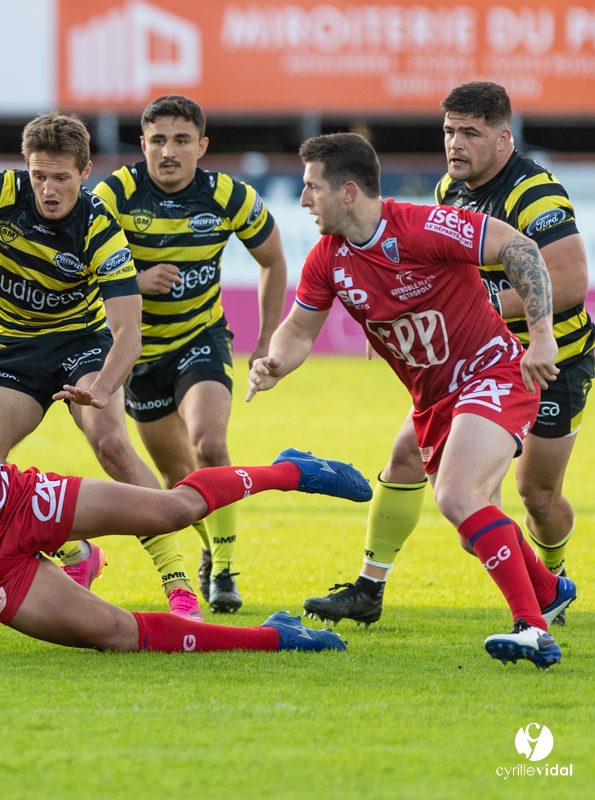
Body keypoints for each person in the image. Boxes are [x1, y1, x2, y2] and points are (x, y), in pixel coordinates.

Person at [0, 348, 370, 659]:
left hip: (22, 500)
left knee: (172, 509)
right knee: (117, 637)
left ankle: (289, 469)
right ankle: (274, 636)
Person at [248, 133, 577, 668]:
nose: (303, 200)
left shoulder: (424, 226)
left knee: (456, 496)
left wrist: (541, 335)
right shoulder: (327, 258)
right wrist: (276, 361)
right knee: (474, 523)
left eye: (311, 188)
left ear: (348, 191)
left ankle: (533, 630)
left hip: (492, 373)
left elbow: (518, 249)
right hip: (435, 398)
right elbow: (300, 329)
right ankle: (547, 589)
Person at [0, 112, 204, 621]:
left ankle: (177, 584)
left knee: (110, 442)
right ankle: (75, 553)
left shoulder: (99, 227)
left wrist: (104, 389)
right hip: (14, 352)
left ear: (85, 173)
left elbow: (128, 331)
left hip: (82, 345)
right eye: (39, 175)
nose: (48, 189)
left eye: (61, 177)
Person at [303, 83, 591, 628]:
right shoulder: (449, 190)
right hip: (476, 363)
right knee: (412, 462)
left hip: (551, 361)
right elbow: (427, 270)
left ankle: (550, 581)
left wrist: (491, 305)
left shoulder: (534, 192)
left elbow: (572, 281)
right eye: (449, 132)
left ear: (503, 138)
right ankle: (370, 585)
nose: (454, 145)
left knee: (534, 497)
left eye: (470, 134)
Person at [93, 95, 288, 613]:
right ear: (142, 145)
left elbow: (272, 259)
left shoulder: (228, 195)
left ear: (202, 146)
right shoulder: (115, 194)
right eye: (158, 140)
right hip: (136, 355)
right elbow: (76, 269)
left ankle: (224, 571)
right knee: (179, 485)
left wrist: (267, 338)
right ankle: (207, 551)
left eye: (182, 140)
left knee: (210, 445)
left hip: (201, 340)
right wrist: (134, 280)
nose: (169, 151)